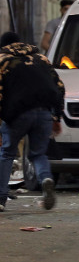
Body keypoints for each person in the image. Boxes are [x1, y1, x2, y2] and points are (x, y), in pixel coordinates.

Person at [0, 32, 65, 212]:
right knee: (38, 154)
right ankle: (46, 180)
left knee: (7, 153)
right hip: (44, 113)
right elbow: (59, 87)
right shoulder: (41, 59)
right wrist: (56, 117)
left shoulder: (3, 60)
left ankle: (0, 198)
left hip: (17, 114)